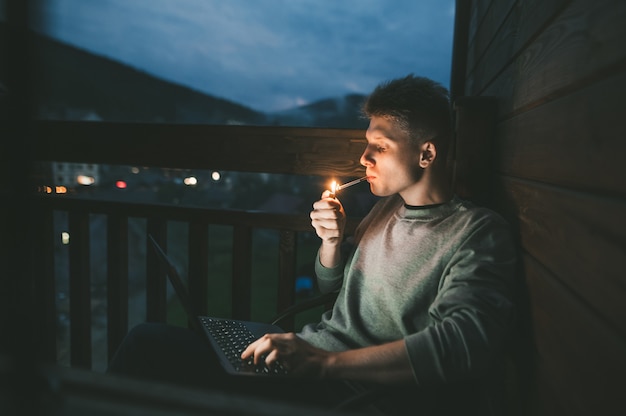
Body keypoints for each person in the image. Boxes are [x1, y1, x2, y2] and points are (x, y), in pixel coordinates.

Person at [108, 75, 517, 415]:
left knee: (147, 347)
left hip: (344, 394)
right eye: (366, 143)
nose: (363, 159)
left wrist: (325, 364)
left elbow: (467, 343)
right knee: (154, 343)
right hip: (308, 362)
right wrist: (332, 243)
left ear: (427, 153)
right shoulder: (386, 208)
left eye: (380, 147)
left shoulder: (476, 232)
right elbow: (334, 294)